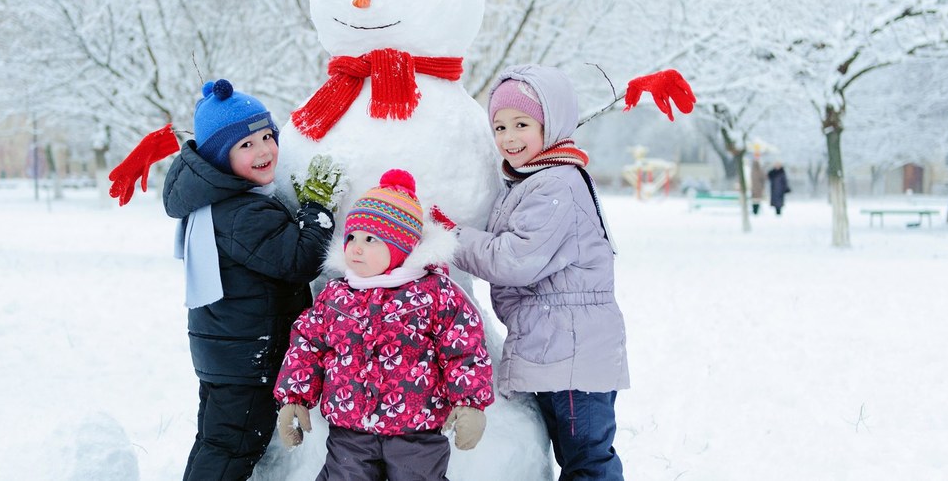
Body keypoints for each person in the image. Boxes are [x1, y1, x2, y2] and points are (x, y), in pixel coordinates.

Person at [435, 64, 630, 480]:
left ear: (551, 123)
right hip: (556, 349)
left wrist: (450, 236)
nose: (508, 138)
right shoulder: (534, 181)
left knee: (587, 460)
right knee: (576, 456)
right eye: (500, 127)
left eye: (521, 124)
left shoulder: (557, 184)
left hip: (574, 356)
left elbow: (514, 260)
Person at [162, 79, 341, 481]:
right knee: (230, 449)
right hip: (247, 359)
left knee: (217, 443)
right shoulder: (241, 213)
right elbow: (299, 259)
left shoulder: (225, 201)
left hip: (229, 354)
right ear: (220, 157)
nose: (263, 151)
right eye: (246, 145)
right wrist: (317, 208)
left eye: (267, 137)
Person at [273, 169, 494, 481]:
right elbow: (307, 346)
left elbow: (464, 349)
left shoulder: (433, 293)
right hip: (349, 431)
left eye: (370, 239)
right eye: (351, 237)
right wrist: (294, 398)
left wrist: (470, 404)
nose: (356, 247)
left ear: (401, 247)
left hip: (416, 430)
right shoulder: (336, 295)